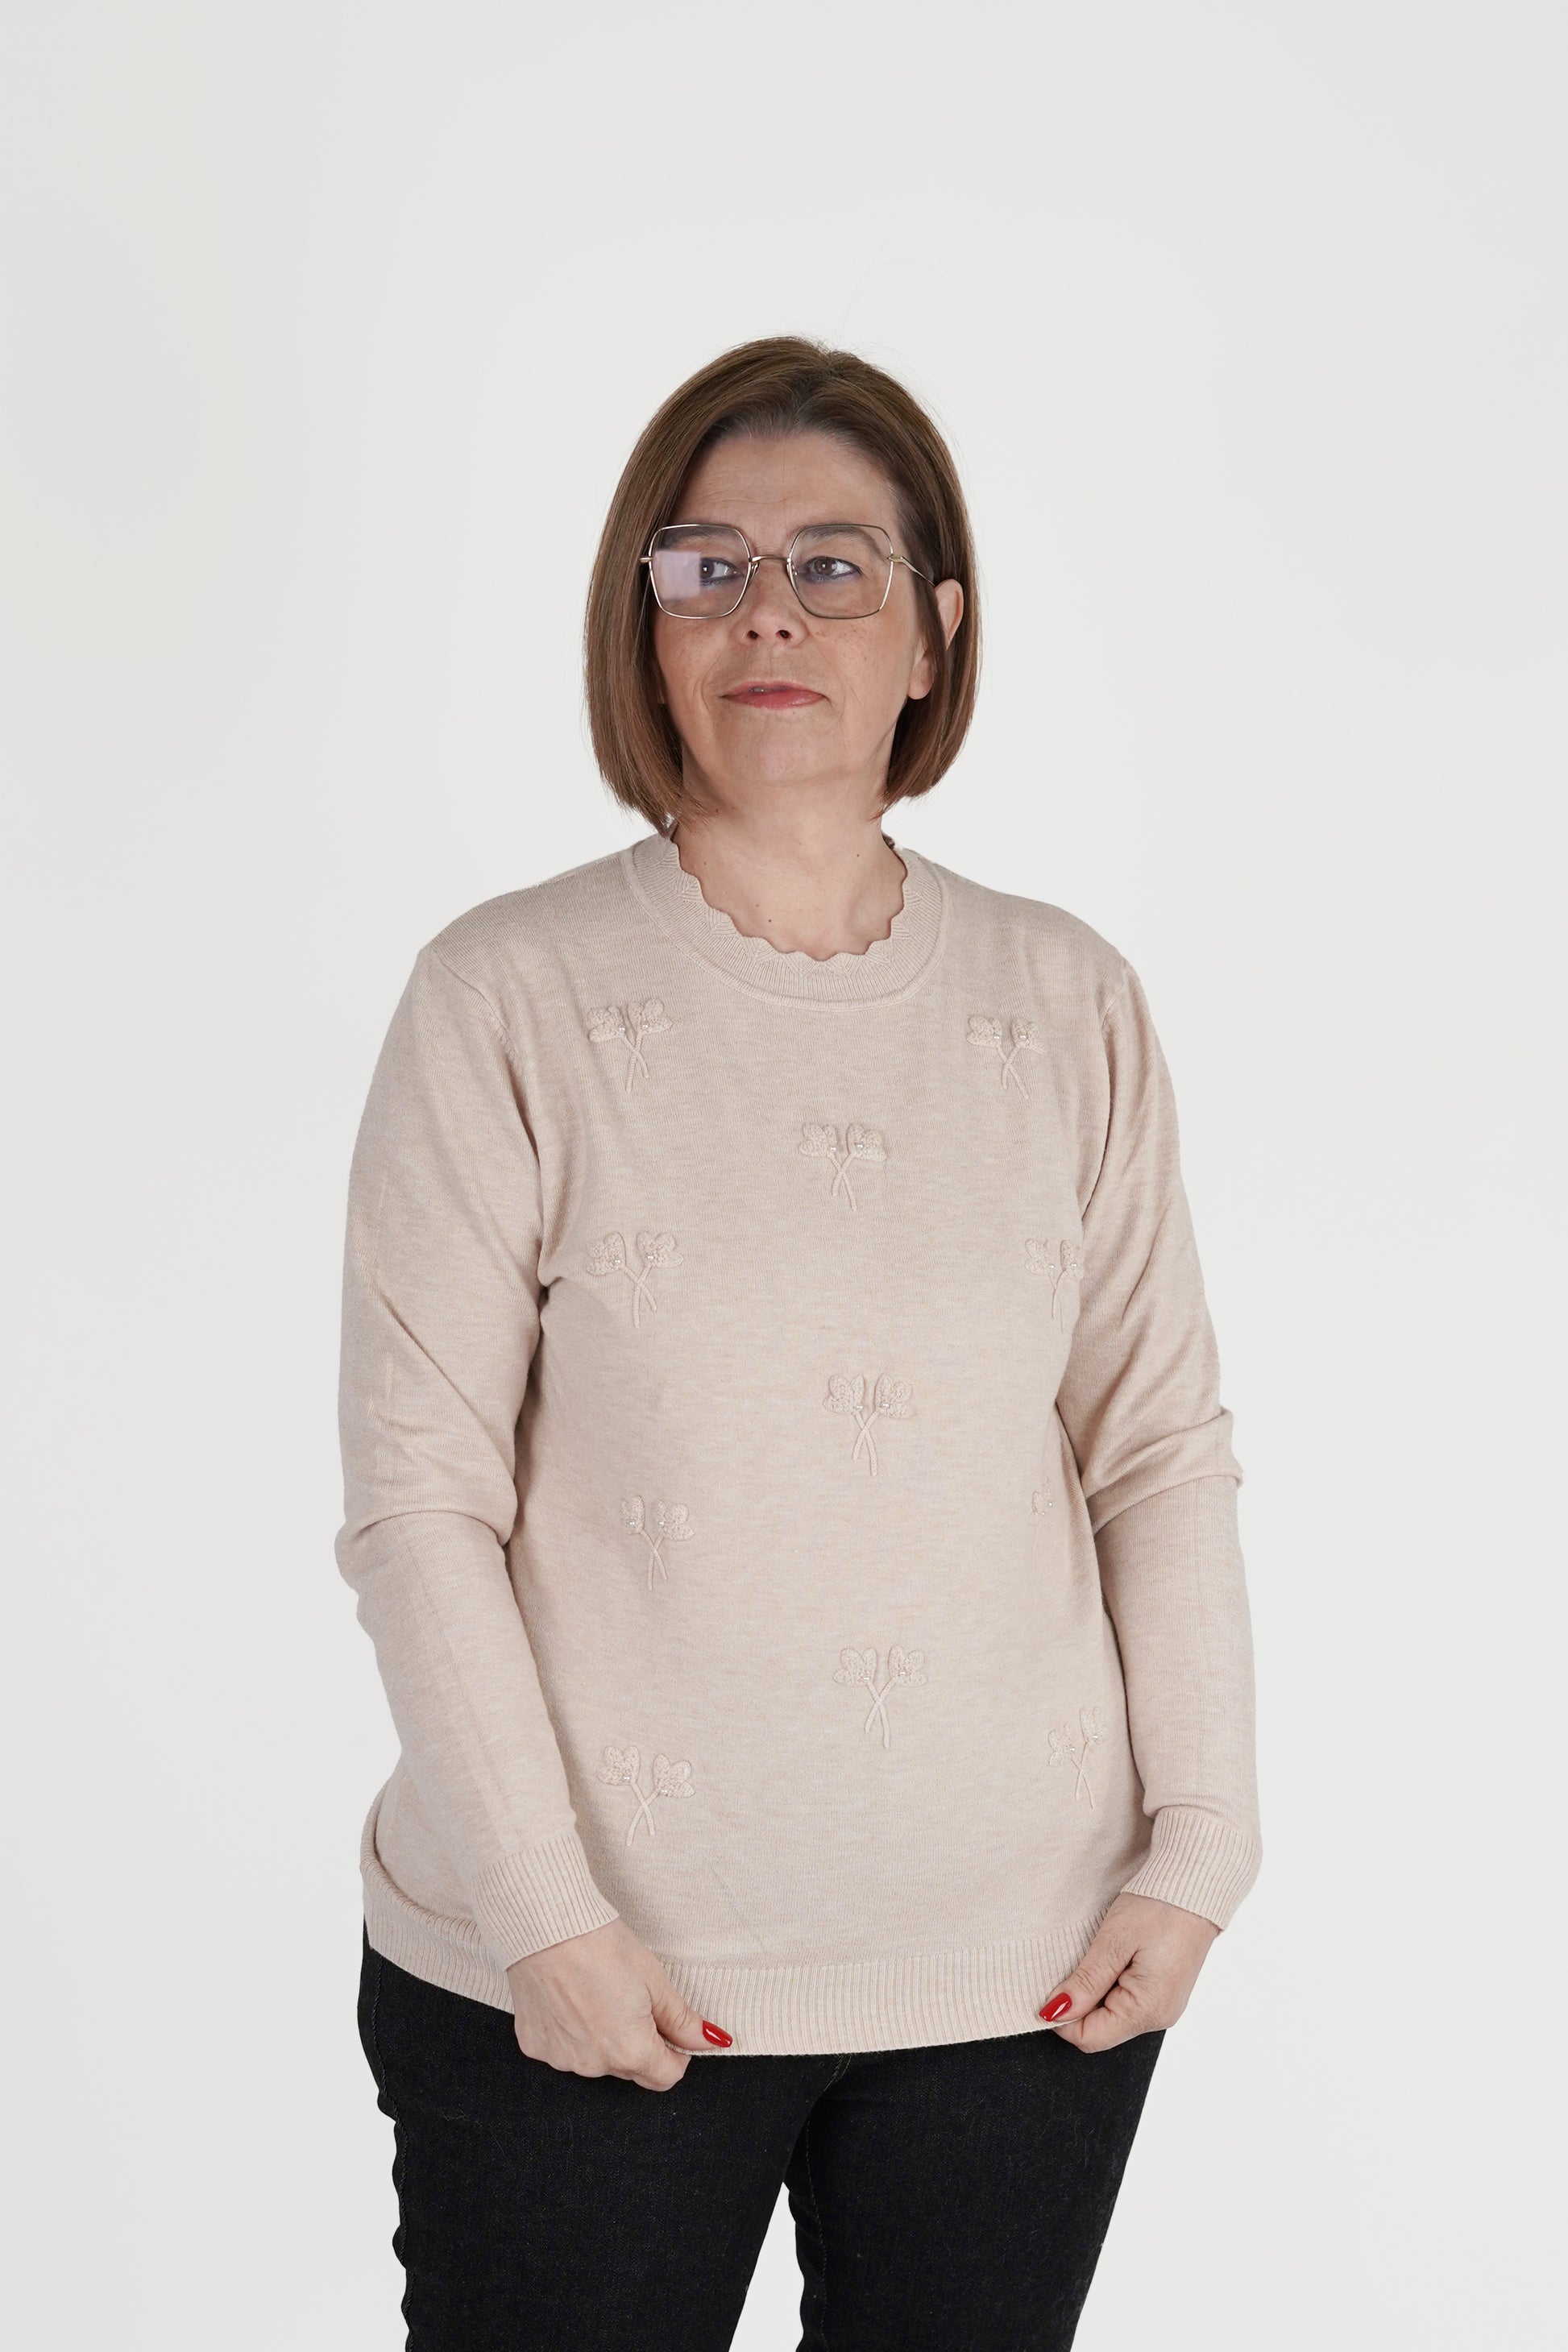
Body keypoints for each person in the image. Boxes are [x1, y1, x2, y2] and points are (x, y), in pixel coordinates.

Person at [338, 336, 1262, 2351]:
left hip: (1023, 1982)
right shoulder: (503, 996)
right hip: (585, 1979)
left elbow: (1154, 1446)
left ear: (933, 634)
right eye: (710, 566)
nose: (770, 611)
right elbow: (419, 1498)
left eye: (835, 566)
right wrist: (544, 1914)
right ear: (646, 624)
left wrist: (1202, 1840)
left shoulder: (1066, 1000)